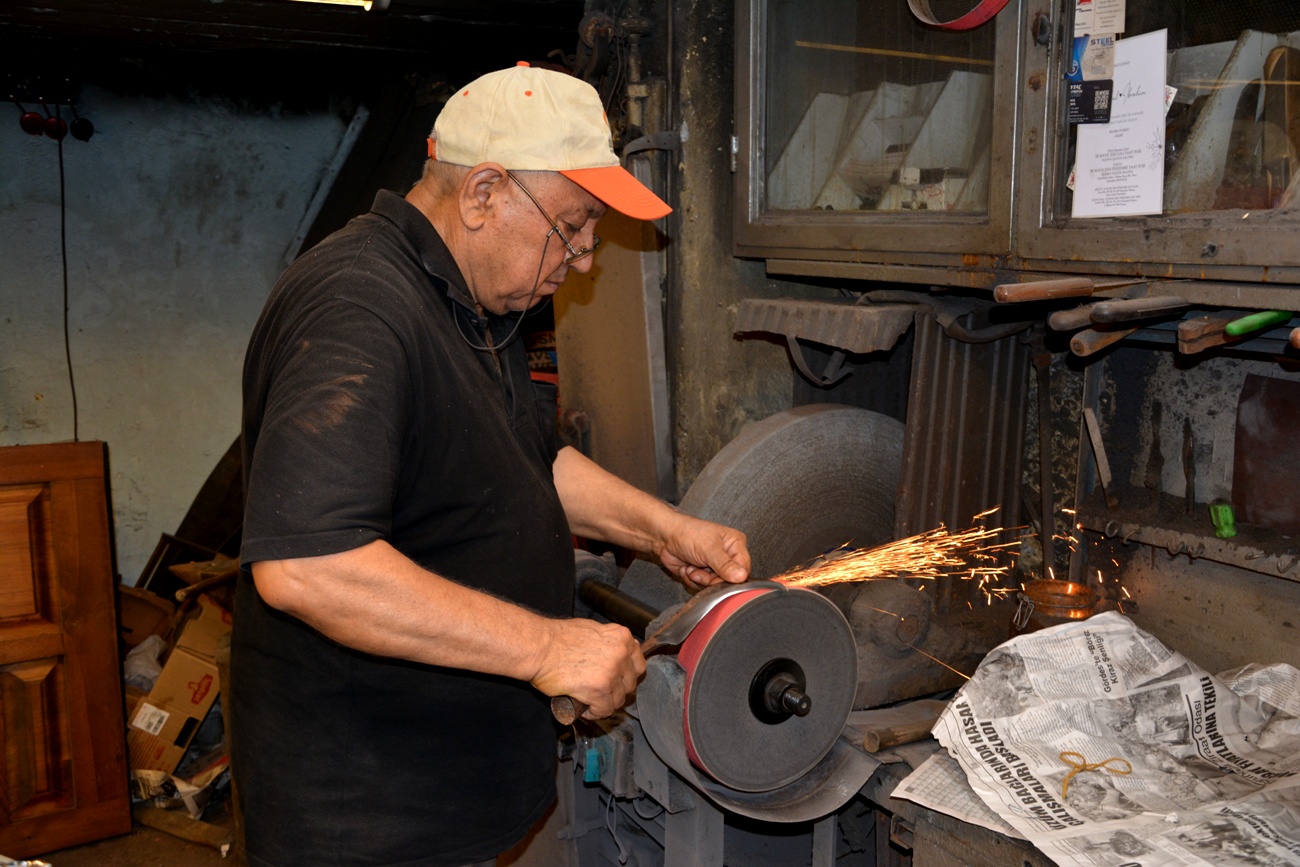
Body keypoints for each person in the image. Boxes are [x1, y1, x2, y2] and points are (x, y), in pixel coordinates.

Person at [230, 61, 752, 867]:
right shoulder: (358, 307)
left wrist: (664, 529)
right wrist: (549, 648)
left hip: (448, 795)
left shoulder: (473, 304)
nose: (581, 259)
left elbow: (528, 461)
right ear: (482, 194)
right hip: (368, 817)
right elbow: (308, 565)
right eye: (573, 226)